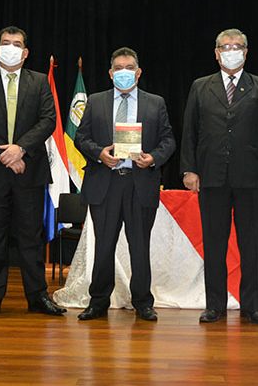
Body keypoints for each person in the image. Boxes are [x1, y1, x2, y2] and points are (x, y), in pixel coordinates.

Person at [180, 29, 258, 325]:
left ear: (246, 52)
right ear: (216, 52)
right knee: (214, 245)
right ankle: (215, 306)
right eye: (226, 46)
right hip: (211, 177)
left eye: (237, 46)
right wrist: (189, 168)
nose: (231, 50)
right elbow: (190, 130)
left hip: (251, 178)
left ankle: (252, 306)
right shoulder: (200, 86)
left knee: (251, 244)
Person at [0, 26, 65, 318]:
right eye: (5, 43)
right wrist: (4, 154)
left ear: (25, 52)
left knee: (31, 238)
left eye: (16, 44)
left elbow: (48, 120)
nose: (10, 48)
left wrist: (20, 149)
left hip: (29, 171)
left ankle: (37, 297)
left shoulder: (39, 83)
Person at [75, 47, 176, 321]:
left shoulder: (156, 103)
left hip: (139, 183)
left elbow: (168, 141)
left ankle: (143, 302)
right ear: (110, 73)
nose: (123, 72)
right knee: (104, 246)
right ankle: (98, 301)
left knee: (139, 246)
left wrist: (153, 158)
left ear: (138, 72)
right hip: (105, 183)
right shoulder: (95, 101)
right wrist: (99, 154)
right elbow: (81, 138)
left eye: (129, 67)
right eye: (118, 68)